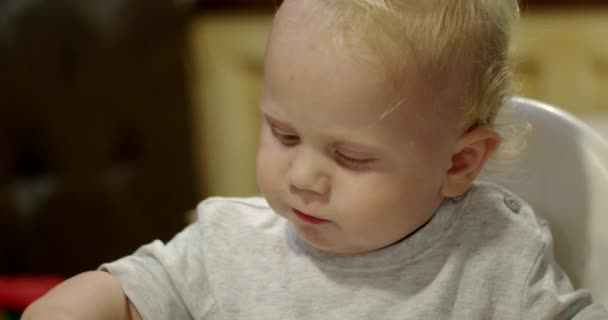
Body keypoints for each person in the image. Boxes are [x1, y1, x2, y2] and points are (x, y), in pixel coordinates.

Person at [22, 0, 608, 319]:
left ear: (458, 165)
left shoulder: (496, 253)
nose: (301, 178)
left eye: (350, 156)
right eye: (282, 133)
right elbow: (125, 296)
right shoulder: (229, 244)